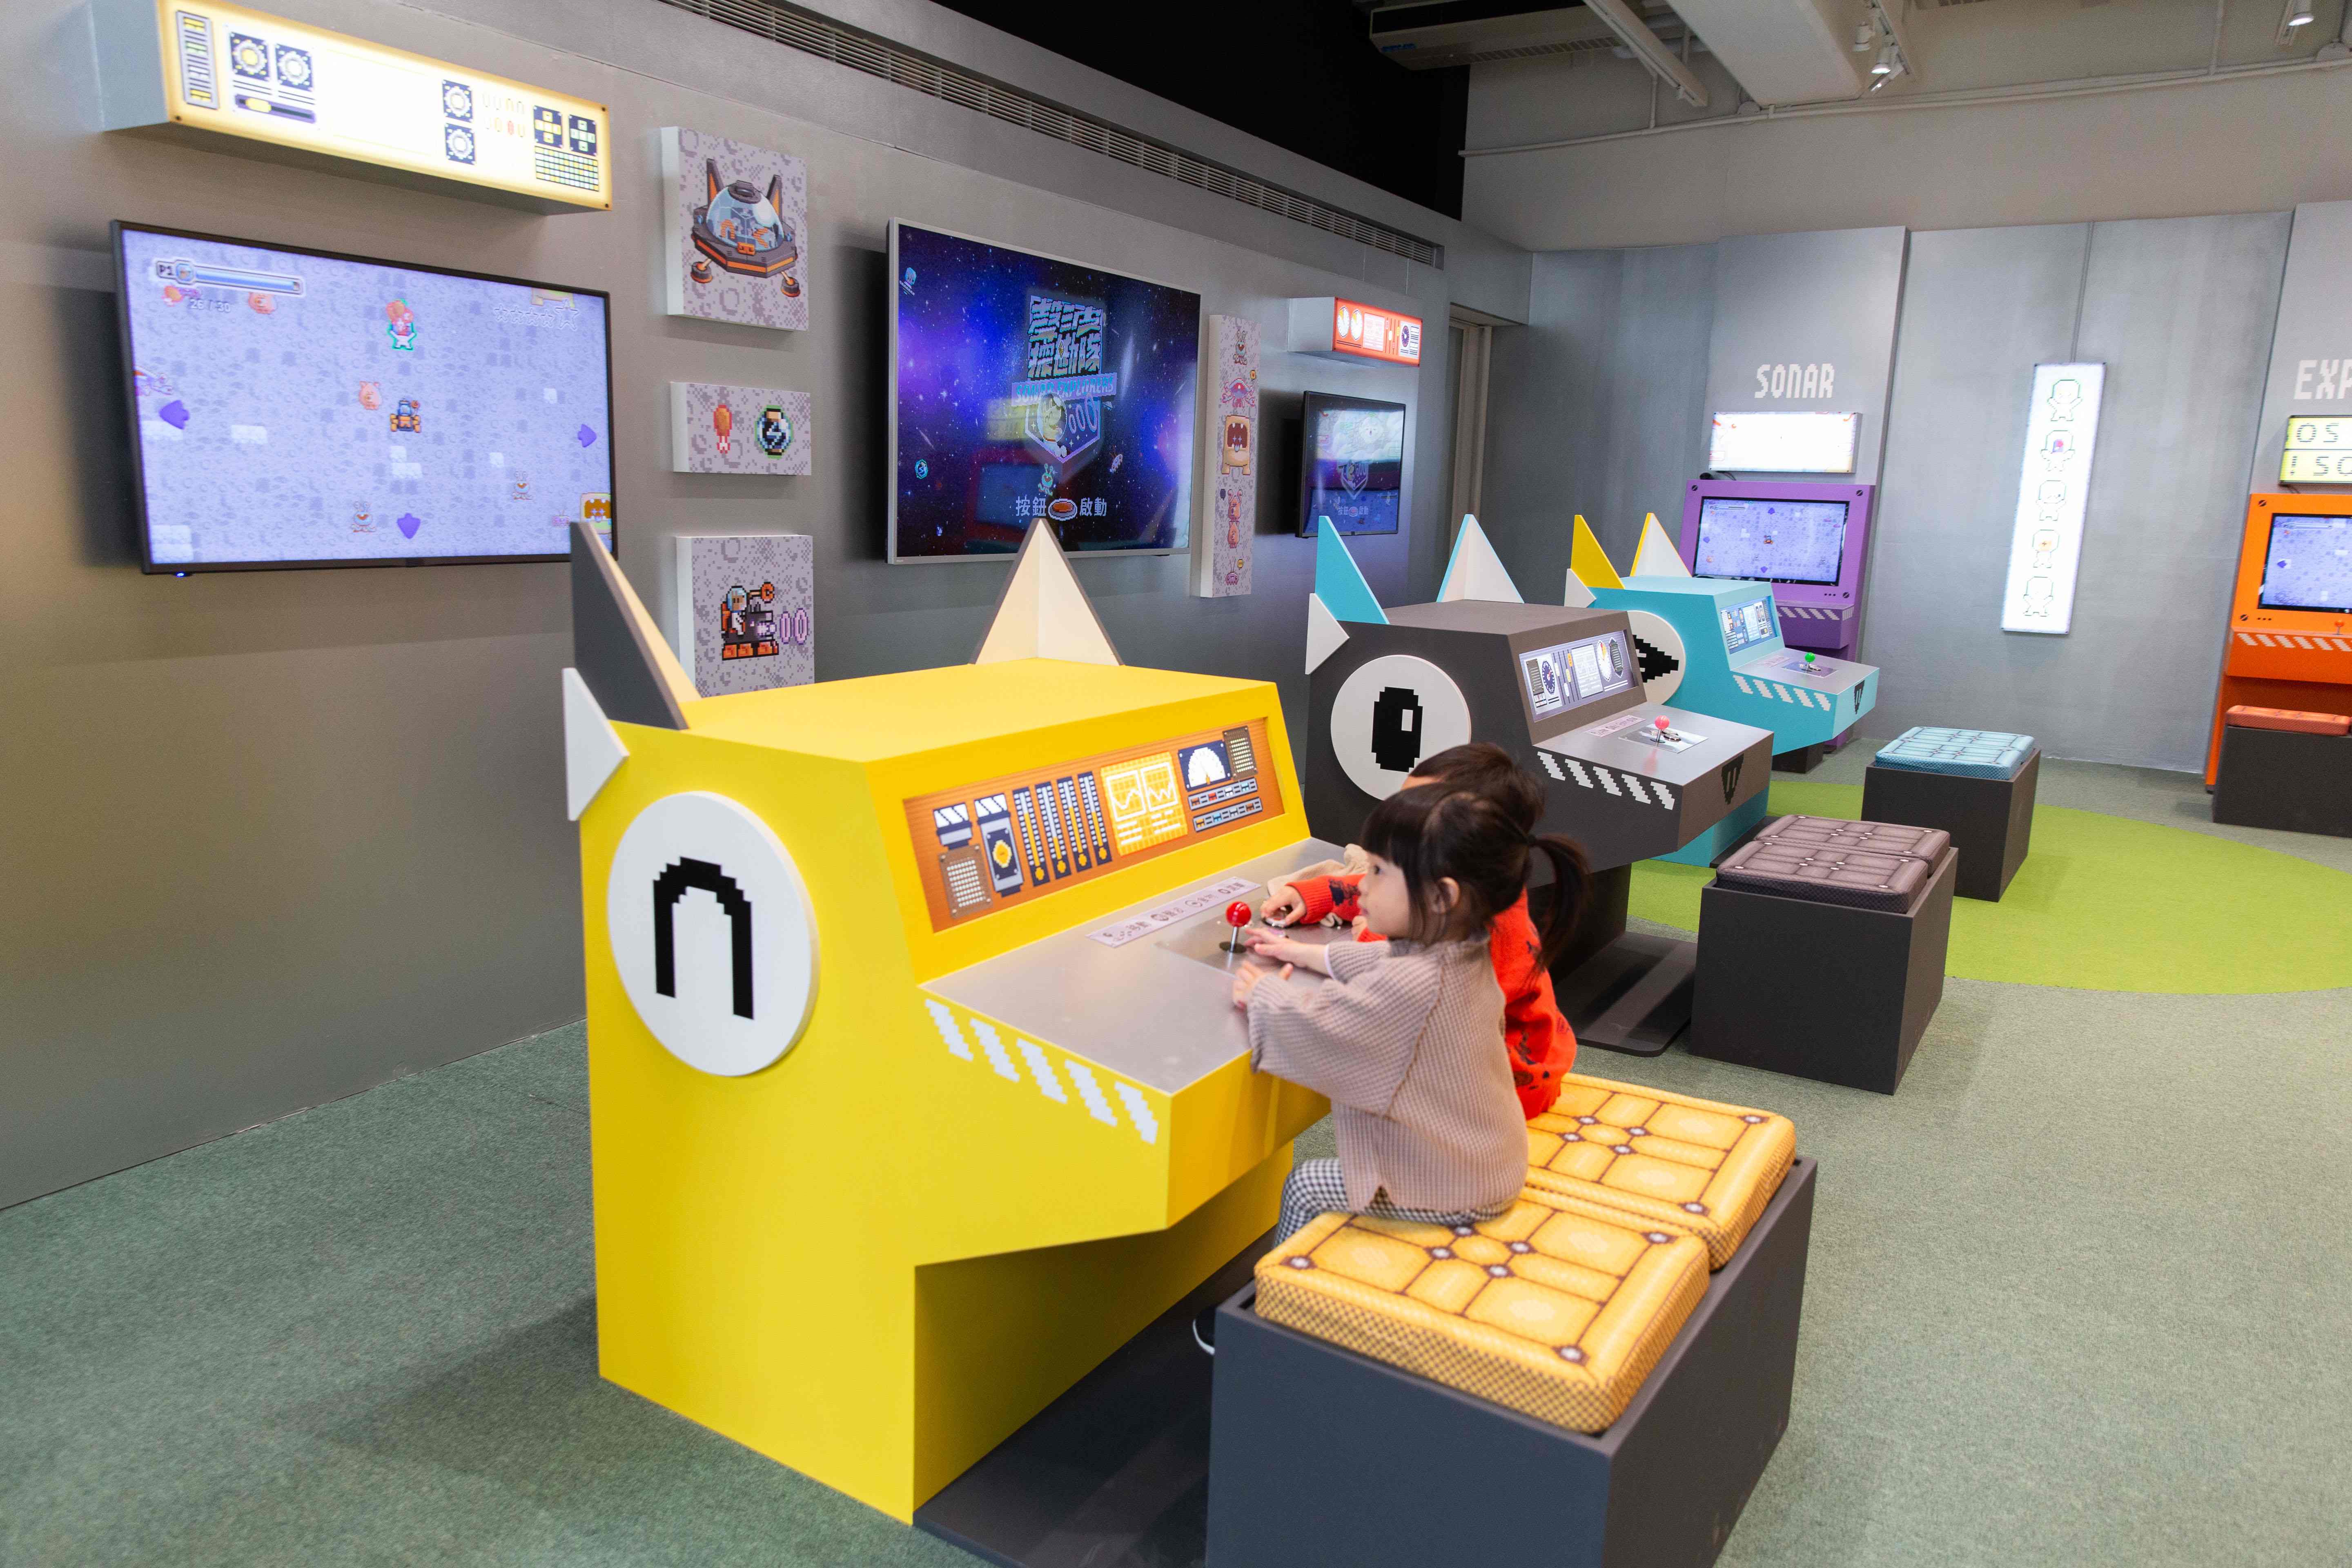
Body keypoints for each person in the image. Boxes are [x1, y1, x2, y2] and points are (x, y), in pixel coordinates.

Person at [1194, 785, 1588, 1354]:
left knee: (1304, 1185)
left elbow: (1327, 1031)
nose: (1363, 885)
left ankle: (1271, 1316)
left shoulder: (1413, 987)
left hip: (1455, 1183)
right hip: (1486, 1157)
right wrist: (1297, 953)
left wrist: (1263, 995)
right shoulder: (1465, 946)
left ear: (1442, 896)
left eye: (1379, 872)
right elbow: (1381, 958)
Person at [1261, 744, 1577, 1119]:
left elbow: (1356, 1022)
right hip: (1517, 1061)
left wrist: (1270, 997)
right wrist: (1319, 893)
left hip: (1502, 1091)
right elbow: (1396, 886)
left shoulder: (1484, 928)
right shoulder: (1481, 887)